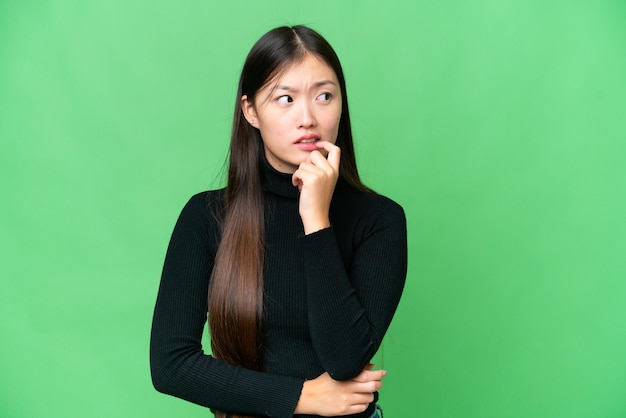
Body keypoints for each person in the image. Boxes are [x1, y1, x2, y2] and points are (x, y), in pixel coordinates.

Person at [150, 25, 407, 418]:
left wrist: (315, 219)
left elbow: (343, 360)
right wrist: (301, 396)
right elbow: (171, 365)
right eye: (285, 99)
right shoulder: (207, 218)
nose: (308, 117)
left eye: (324, 96)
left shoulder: (379, 220)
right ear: (251, 111)